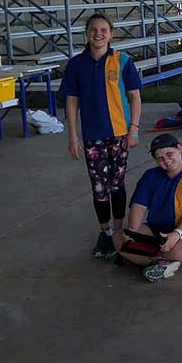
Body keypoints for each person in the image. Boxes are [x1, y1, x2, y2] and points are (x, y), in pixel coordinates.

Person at [61, 13, 142, 259]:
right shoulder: (77, 64)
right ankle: (105, 233)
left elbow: (135, 97)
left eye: (103, 29)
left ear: (111, 33)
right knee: (99, 187)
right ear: (87, 32)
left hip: (119, 134)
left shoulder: (123, 61)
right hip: (92, 136)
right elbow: (72, 102)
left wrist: (134, 129)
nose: (98, 34)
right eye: (93, 29)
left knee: (117, 184)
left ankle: (119, 232)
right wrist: (73, 137)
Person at [114, 134, 182, 283]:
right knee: (119, 239)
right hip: (155, 230)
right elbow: (138, 206)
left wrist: (177, 234)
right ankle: (162, 263)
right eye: (160, 158)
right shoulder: (150, 176)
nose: (166, 160)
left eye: (169, 154)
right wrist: (133, 232)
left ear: (180, 148)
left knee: (180, 252)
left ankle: (150, 259)